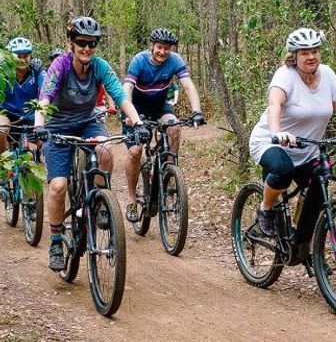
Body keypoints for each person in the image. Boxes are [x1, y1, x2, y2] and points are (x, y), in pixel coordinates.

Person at [34, 16, 149, 271]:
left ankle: (100, 202)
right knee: (58, 186)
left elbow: (120, 96)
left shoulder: (99, 66)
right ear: (72, 43)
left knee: (106, 149)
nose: (87, 48)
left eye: (92, 43)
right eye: (81, 43)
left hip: (88, 121)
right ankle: (55, 241)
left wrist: (137, 123)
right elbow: (45, 97)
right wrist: (39, 125)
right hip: (56, 126)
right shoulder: (60, 66)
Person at [249, 27, 336, 262]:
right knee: (282, 169)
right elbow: (275, 106)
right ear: (295, 56)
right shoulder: (285, 75)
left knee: (321, 181)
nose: (311, 56)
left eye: (315, 51)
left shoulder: (328, 74)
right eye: (305, 53)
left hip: (307, 148)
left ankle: (303, 242)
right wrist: (277, 132)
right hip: (271, 142)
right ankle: (265, 208)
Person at [122, 27, 205, 223]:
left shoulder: (175, 60)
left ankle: (169, 172)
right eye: (159, 47)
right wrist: (129, 115)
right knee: (135, 152)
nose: (162, 52)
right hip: (135, 108)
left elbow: (188, 85)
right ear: (152, 46)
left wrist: (197, 112)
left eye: (166, 49)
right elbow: (127, 87)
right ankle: (132, 199)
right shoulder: (139, 60)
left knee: (175, 128)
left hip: (160, 106)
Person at [0, 37, 46, 152]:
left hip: (30, 118)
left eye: (26, 56)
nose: (22, 60)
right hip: (7, 115)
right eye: (18, 57)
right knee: (1, 130)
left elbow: (48, 89)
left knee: (31, 154)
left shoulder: (36, 71)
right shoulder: (3, 72)